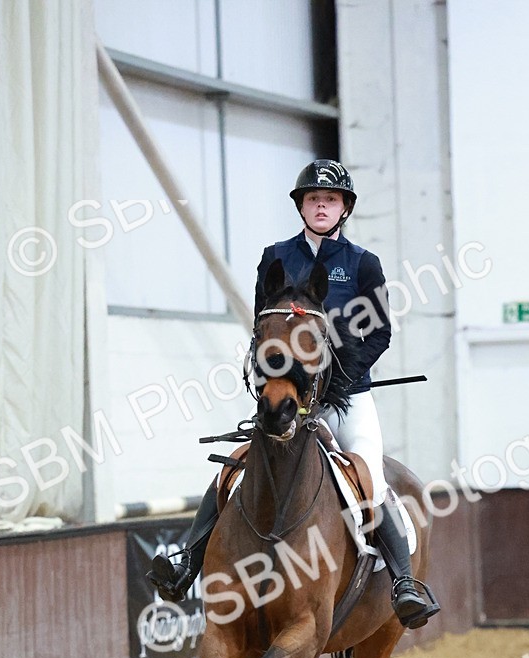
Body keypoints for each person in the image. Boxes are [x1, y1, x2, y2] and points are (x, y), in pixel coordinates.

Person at [149, 159, 439, 629]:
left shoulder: (363, 264)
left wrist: (345, 380)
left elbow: (380, 332)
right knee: (236, 470)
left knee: (370, 479)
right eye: (312, 199)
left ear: (344, 208)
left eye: (329, 200)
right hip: (287, 395)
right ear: (301, 206)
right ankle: (187, 562)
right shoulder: (276, 257)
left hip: (348, 397)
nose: (320, 206)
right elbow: (265, 326)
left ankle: (404, 582)